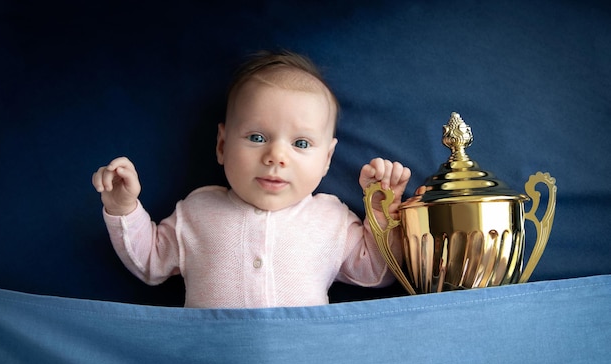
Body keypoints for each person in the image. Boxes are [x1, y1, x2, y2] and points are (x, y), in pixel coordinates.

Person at [92, 50, 411, 308]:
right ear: (222, 145)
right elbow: (149, 262)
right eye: (257, 137)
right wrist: (124, 208)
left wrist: (381, 211)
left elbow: (376, 273)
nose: (276, 156)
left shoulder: (332, 219)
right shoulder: (197, 210)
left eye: (300, 144)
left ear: (326, 159)